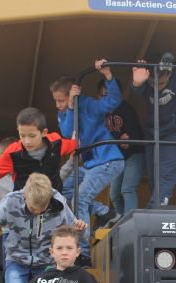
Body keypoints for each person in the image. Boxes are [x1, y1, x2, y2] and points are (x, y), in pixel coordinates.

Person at [52, 59, 124, 266]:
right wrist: (70, 107)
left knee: (80, 199)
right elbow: (68, 134)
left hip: (108, 160)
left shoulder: (89, 105)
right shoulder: (65, 112)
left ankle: (82, 252)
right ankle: (104, 212)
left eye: (61, 100)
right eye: (56, 101)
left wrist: (108, 76)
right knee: (61, 190)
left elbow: (113, 102)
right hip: (91, 165)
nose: (57, 105)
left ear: (74, 94)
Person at [131, 52, 176, 206]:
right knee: (153, 176)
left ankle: (155, 207)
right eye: (154, 84)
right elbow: (135, 91)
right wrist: (137, 82)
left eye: (162, 83)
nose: (158, 87)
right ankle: (157, 207)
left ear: (170, 74)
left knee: (167, 173)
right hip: (153, 131)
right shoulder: (145, 74)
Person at [0, 107, 77, 199]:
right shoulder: (13, 153)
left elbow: (73, 145)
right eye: (22, 135)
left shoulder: (56, 143)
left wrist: (75, 144)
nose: (27, 141)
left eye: (32, 136)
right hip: (23, 203)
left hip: (52, 199)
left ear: (44, 133)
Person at [97, 77, 145, 223]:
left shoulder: (126, 109)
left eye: (110, 93)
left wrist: (124, 140)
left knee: (127, 189)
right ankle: (121, 223)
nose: (106, 98)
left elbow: (132, 137)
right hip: (117, 158)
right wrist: (119, 138)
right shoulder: (101, 114)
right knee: (114, 195)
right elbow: (103, 137)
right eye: (103, 94)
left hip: (134, 154)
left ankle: (130, 224)